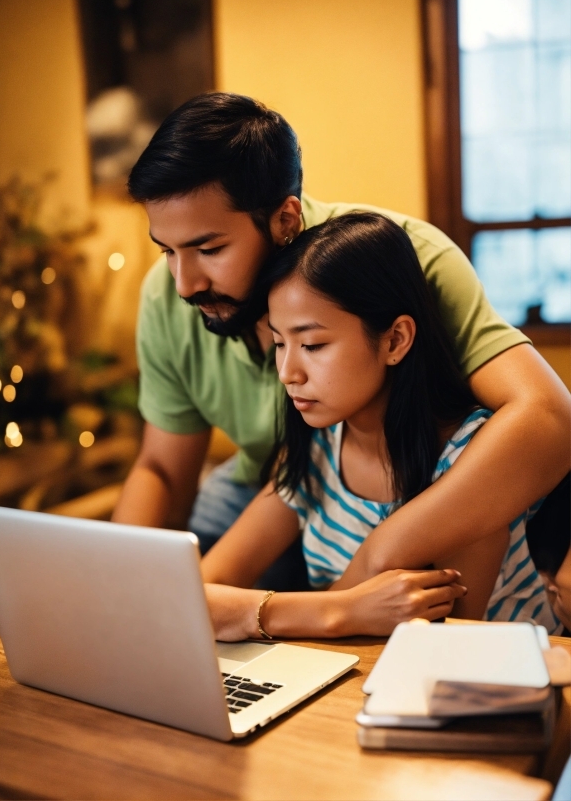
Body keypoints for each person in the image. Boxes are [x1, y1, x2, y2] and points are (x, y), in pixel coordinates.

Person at [112, 92, 570, 590]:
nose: (184, 283)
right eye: (168, 252)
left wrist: (380, 553)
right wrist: (123, 589)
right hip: (277, 483)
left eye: (210, 248)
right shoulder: (167, 296)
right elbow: (162, 467)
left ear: (285, 220)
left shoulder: (406, 260)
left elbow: (549, 419)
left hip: (405, 483)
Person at [201, 213, 559, 639]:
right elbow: (200, 590)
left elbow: (435, 655)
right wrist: (342, 609)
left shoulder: (469, 466)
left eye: (313, 345)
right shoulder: (318, 446)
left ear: (395, 340)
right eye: (280, 343)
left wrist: (306, 612)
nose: (288, 371)